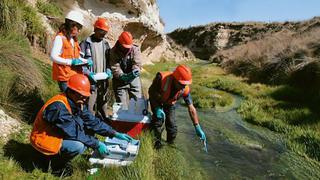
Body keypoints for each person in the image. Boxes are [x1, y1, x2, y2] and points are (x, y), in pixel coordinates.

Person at [30, 74, 134, 171]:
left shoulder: (76, 101)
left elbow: (93, 122)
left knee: (89, 132)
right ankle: (54, 165)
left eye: (86, 96)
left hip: (59, 133)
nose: (85, 99)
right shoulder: (58, 107)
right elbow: (74, 132)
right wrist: (97, 144)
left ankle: (59, 158)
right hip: (44, 140)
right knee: (77, 145)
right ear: (71, 91)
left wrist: (114, 133)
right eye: (82, 95)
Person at [148, 65, 206, 149]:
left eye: (185, 84)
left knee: (172, 126)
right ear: (175, 79)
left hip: (170, 103)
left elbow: (191, 108)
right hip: (157, 99)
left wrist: (197, 126)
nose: (183, 86)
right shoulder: (161, 78)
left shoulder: (184, 88)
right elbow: (151, 92)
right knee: (158, 121)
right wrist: (157, 108)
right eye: (182, 84)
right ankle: (156, 144)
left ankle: (170, 146)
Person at [50, 10, 92, 92]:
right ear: (72, 25)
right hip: (64, 76)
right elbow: (53, 57)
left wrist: (85, 61)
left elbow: (75, 57)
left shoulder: (74, 39)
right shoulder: (60, 38)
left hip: (73, 75)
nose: (79, 31)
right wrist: (70, 62)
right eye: (78, 28)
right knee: (69, 100)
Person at [80, 17, 112, 119]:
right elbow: (80, 64)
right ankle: (89, 127)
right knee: (90, 107)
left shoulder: (106, 44)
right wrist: (88, 74)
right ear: (96, 29)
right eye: (102, 32)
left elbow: (109, 61)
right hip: (90, 82)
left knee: (103, 106)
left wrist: (109, 70)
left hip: (103, 82)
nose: (103, 34)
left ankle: (104, 125)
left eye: (105, 32)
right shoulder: (85, 43)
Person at [109, 31, 142, 108]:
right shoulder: (113, 51)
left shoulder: (135, 49)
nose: (126, 49)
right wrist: (122, 76)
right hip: (119, 80)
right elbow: (115, 67)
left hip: (134, 79)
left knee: (137, 104)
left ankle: (135, 119)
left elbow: (137, 63)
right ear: (120, 44)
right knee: (121, 107)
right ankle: (122, 119)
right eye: (124, 47)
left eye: (128, 47)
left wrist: (134, 71)